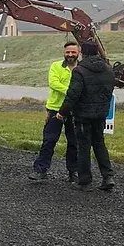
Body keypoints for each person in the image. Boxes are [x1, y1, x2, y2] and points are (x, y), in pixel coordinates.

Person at [56, 39, 115, 191]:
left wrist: (62, 112)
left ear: (83, 53)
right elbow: (109, 92)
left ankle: (85, 181)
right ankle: (108, 177)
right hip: (100, 115)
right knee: (100, 144)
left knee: (83, 147)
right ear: (96, 52)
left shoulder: (79, 70)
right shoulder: (108, 69)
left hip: (83, 115)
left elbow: (73, 95)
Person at [29, 41, 80, 181]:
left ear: (79, 53)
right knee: (49, 141)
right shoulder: (55, 66)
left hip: (74, 111)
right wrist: (73, 92)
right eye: (68, 52)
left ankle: (74, 172)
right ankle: (40, 170)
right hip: (54, 109)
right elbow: (53, 83)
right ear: (64, 52)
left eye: (73, 52)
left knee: (74, 142)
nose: (70, 55)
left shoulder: (82, 68)